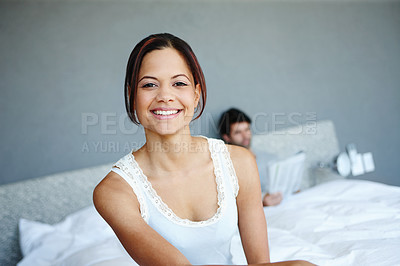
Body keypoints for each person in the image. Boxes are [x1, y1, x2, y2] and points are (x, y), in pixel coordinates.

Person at [93, 33, 313, 266]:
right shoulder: (115, 192)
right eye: (149, 84)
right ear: (131, 95)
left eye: (179, 83)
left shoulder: (239, 162)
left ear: (195, 95)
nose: (165, 96)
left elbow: (260, 264)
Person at [218, 108, 283, 207]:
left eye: (247, 129)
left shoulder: (270, 158)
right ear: (227, 137)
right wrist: (262, 203)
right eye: (238, 132)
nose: (245, 136)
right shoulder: (227, 169)